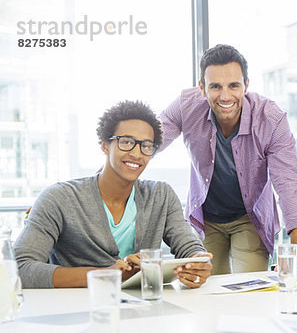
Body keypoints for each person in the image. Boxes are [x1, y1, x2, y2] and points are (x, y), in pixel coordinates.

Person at [15, 101, 212, 288]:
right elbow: (21, 268)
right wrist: (107, 274)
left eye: (146, 146)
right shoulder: (58, 198)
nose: (137, 153)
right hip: (78, 312)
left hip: (145, 313)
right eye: (126, 142)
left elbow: (189, 245)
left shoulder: (161, 196)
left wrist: (197, 262)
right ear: (105, 145)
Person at [159, 44, 297, 274]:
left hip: (249, 217)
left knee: (250, 290)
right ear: (202, 88)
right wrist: (107, 174)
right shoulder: (186, 106)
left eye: (234, 85)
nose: (225, 96)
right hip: (207, 217)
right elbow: (149, 141)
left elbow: (289, 186)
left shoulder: (271, 119)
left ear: (246, 85)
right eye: (215, 86)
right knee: (208, 289)